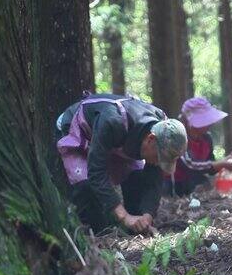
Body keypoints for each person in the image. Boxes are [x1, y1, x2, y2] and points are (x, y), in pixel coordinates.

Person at [56, 93, 187, 234]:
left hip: (117, 140)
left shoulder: (164, 127)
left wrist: (147, 216)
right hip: (78, 131)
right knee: (86, 189)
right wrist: (123, 216)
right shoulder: (113, 120)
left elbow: (154, 178)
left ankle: (129, 228)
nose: (158, 162)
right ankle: (95, 234)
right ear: (150, 139)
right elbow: (96, 171)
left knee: (136, 182)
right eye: (158, 157)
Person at [164, 97, 232, 196]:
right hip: (173, 185)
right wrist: (222, 164)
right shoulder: (177, 136)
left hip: (195, 183)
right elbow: (190, 165)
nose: (208, 125)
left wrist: (228, 159)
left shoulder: (206, 138)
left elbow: (209, 167)